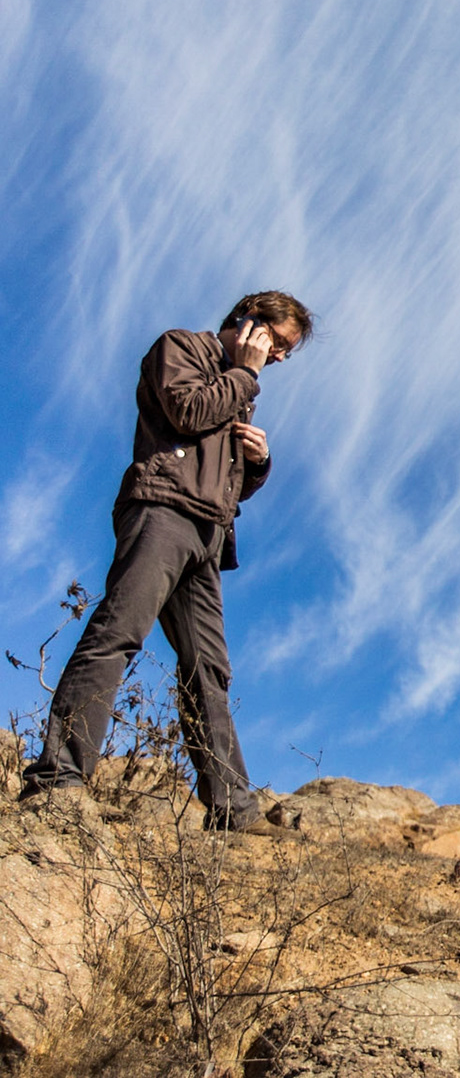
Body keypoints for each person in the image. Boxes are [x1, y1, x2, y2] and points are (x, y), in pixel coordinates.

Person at [19, 291, 314, 831]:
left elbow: (229, 486)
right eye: (279, 343)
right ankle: (58, 778)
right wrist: (245, 377)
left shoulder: (238, 387)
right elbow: (187, 410)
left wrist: (259, 461)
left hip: (207, 534)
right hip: (161, 512)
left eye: (286, 353)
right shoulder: (180, 347)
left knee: (211, 671)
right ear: (249, 319)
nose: (277, 359)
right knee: (120, 631)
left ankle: (233, 810)